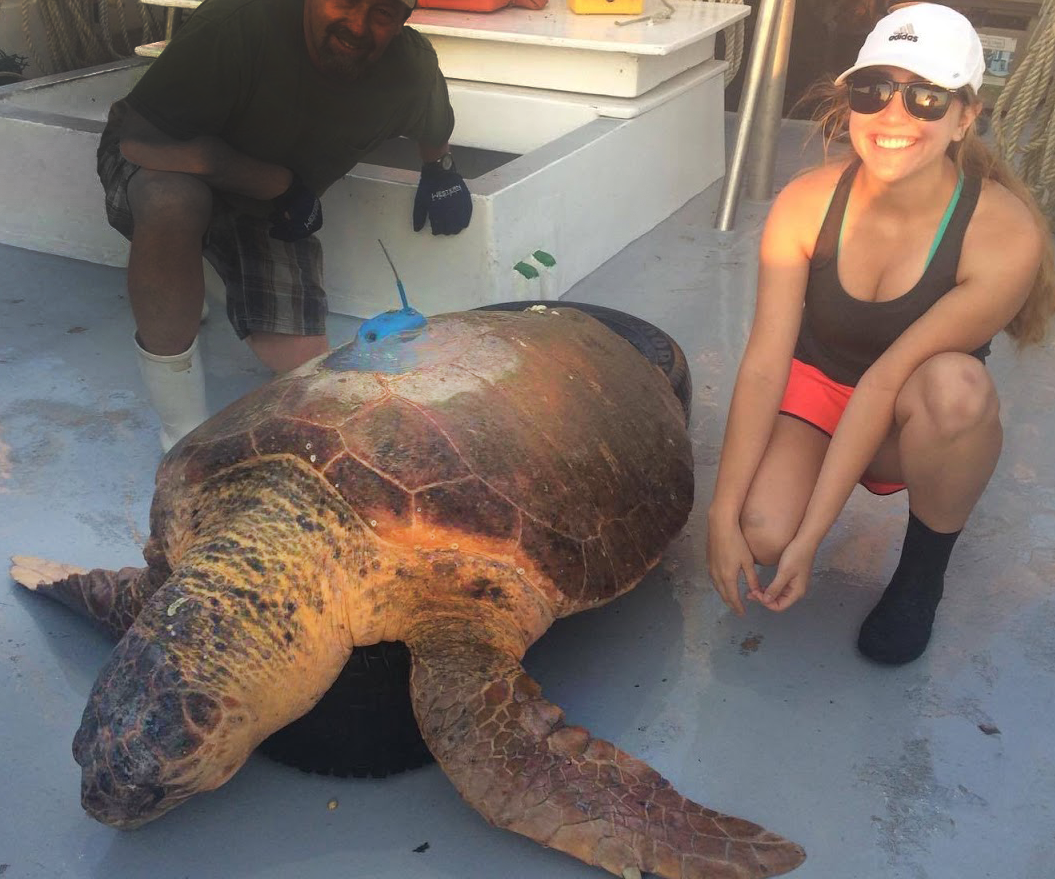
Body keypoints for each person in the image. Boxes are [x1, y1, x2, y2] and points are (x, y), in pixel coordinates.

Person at [706, 3, 1055, 665]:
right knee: (760, 534)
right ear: (850, 103)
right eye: (873, 91)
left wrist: (815, 538)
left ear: (963, 117)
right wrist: (722, 516)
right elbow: (761, 364)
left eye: (926, 98)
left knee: (958, 388)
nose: (894, 116)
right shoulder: (805, 202)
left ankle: (921, 575)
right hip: (815, 396)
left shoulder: (1004, 233)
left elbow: (886, 379)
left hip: (906, 412)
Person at [97, 0, 472, 451]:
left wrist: (441, 171)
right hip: (167, 165)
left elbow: (432, 122)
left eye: (383, 12)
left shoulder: (410, 65)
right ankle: (181, 434)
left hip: (269, 200)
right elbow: (142, 141)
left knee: (297, 359)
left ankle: (204, 270)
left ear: (403, 21)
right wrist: (278, 183)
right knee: (172, 203)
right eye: (346, 0)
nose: (356, 25)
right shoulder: (236, 21)